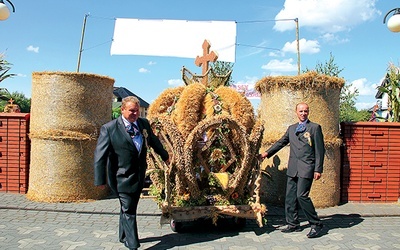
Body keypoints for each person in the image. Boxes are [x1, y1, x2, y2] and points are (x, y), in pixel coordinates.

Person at [94, 96, 170, 250]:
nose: (135, 113)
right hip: (121, 177)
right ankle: (133, 244)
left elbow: (154, 141)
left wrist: (166, 156)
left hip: (139, 175)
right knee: (129, 210)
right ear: (122, 110)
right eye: (131, 111)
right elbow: (99, 157)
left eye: (137, 110)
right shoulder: (109, 129)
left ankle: (123, 236)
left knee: (128, 207)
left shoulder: (143, 124)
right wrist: (100, 180)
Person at [260, 102, 325, 238]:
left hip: (307, 167)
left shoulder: (314, 128)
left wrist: (318, 169)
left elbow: (320, 150)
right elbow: (281, 142)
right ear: (296, 112)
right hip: (293, 168)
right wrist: (266, 153)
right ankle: (293, 224)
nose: (303, 113)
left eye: (305, 111)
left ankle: (316, 224)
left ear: (308, 112)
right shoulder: (291, 128)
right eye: (300, 111)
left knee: (302, 196)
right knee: (290, 198)